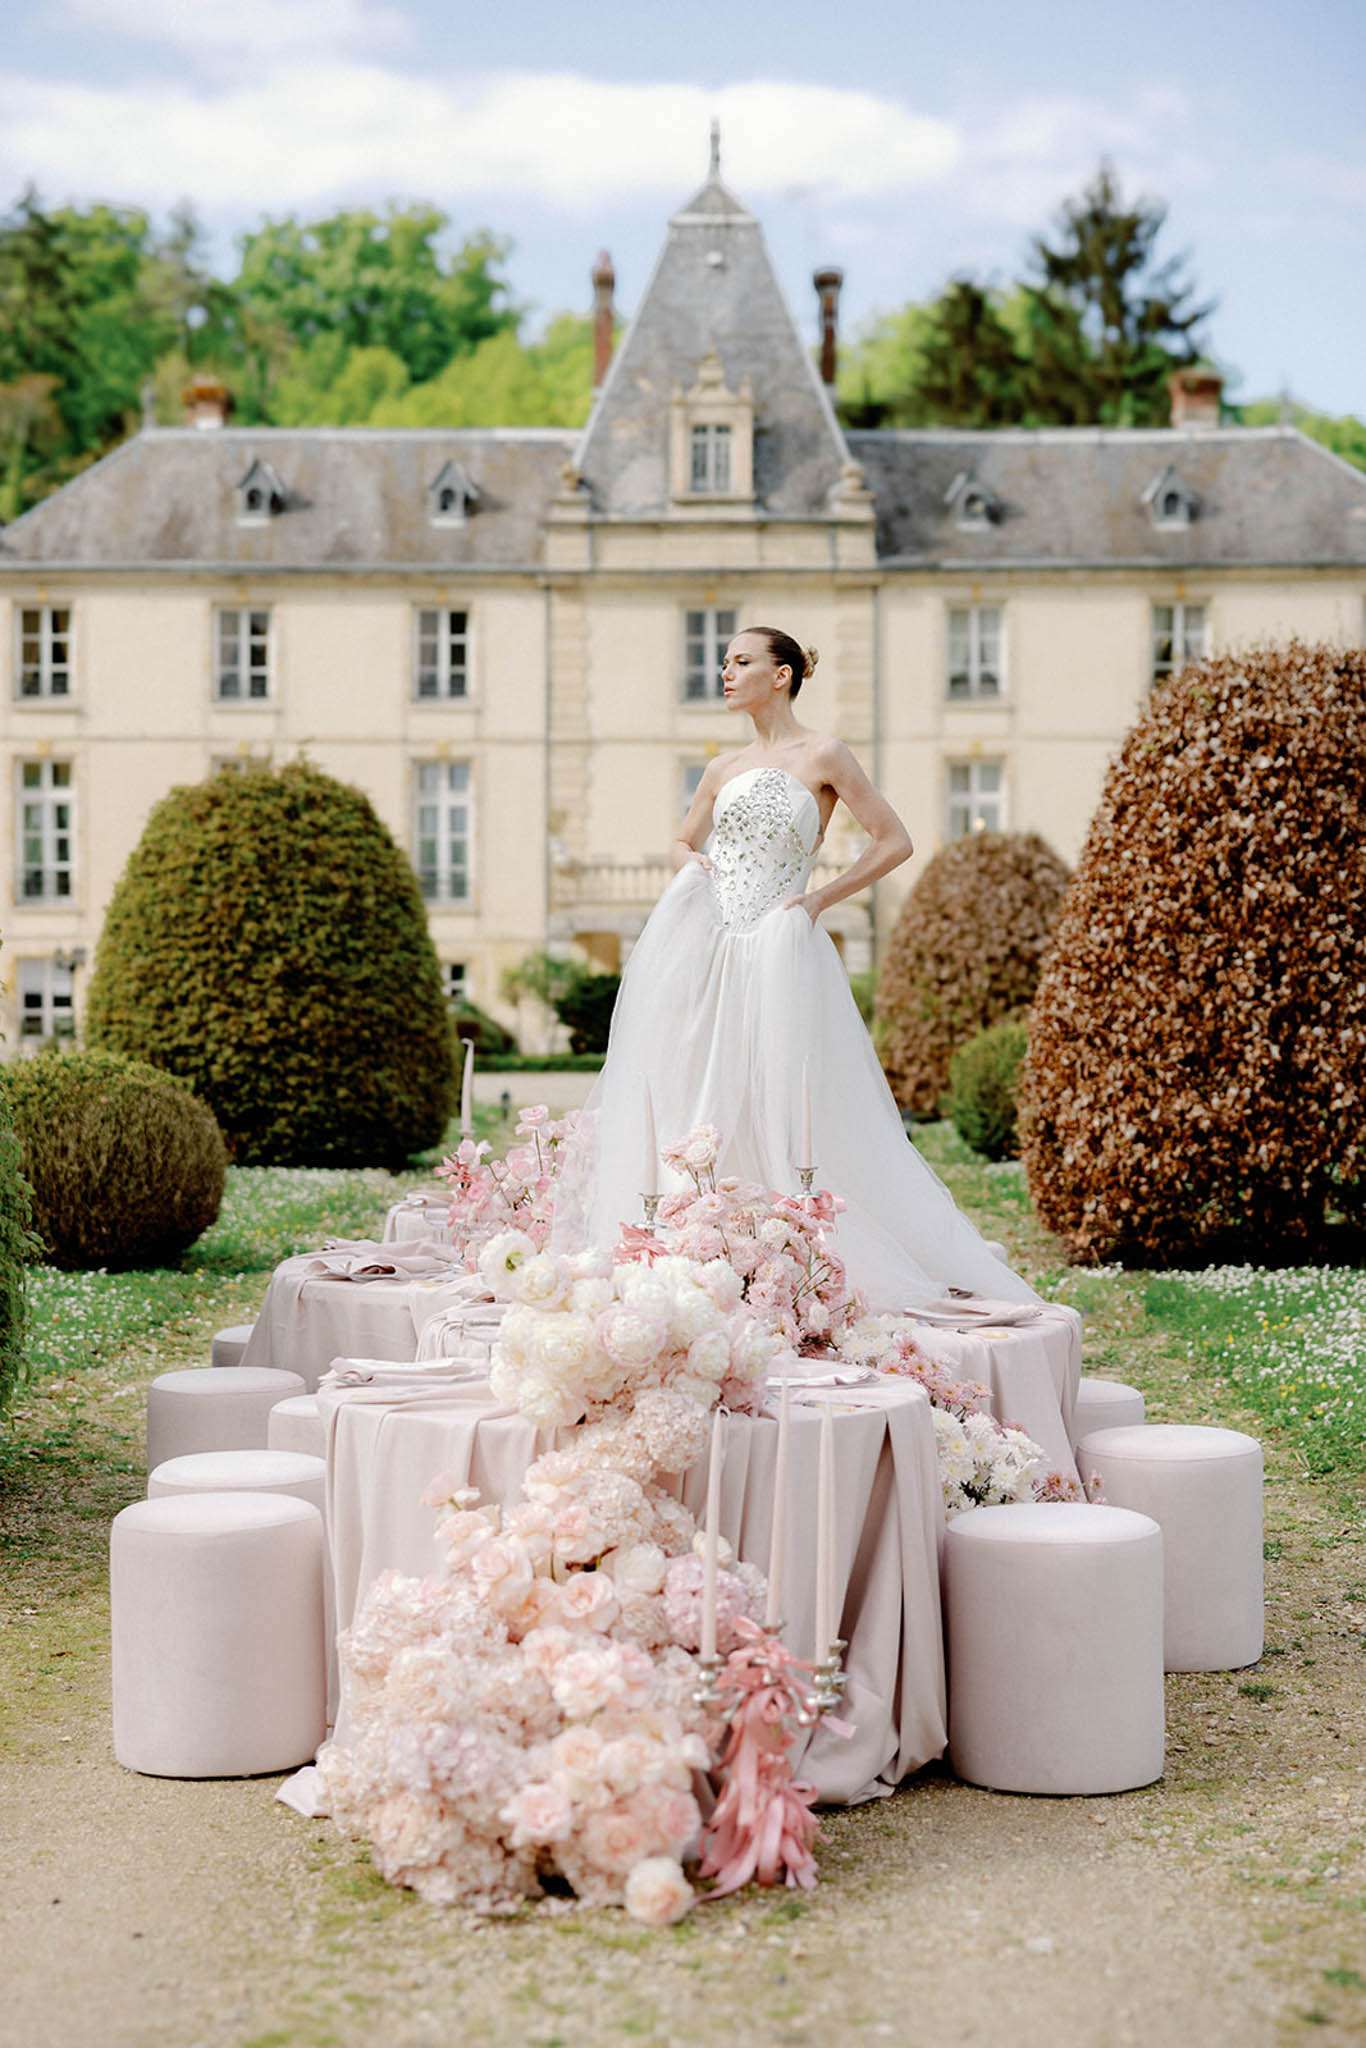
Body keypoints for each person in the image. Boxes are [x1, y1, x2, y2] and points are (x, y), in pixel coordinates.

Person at [549, 625, 1041, 1308]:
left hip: (779, 945)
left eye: (741, 662)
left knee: (780, 1090)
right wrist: (688, 863)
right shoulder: (721, 767)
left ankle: (787, 1244)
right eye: (724, 662)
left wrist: (815, 903)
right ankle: (702, 1234)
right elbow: (681, 838)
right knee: (694, 1080)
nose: (725, 672)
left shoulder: (824, 754)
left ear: (780, 676)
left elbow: (893, 840)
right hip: (710, 945)